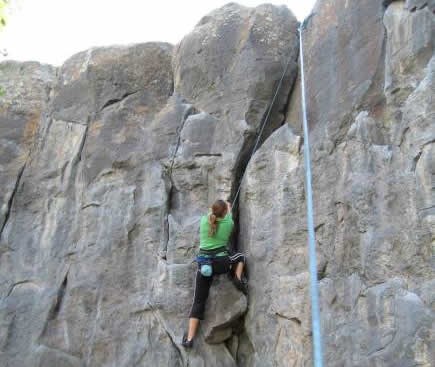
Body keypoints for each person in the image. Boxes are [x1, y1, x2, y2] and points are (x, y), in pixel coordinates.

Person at [182, 199, 248, 348]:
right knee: (240, 257)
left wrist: (220, 207)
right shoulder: (228, 223)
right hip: (222, 264)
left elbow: (212, 213)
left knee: (198, 301)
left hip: (204, 266)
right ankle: (237, 277)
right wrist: (229, 207)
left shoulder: (204, 220)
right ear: (225, 212)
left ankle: (189, 339)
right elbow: (228, 216)